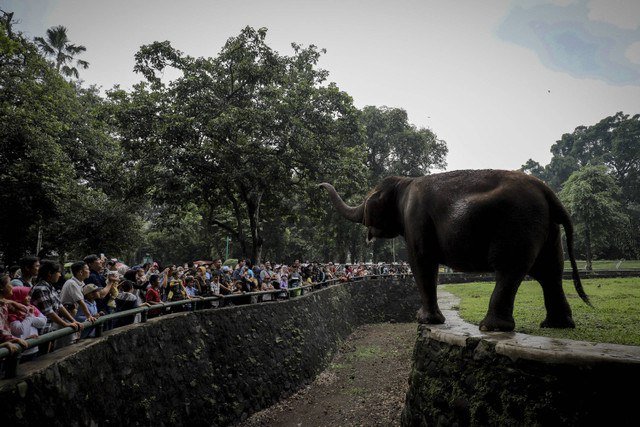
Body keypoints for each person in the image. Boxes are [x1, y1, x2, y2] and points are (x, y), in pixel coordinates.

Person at [29, 260, 83, 350]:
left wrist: (73, 321)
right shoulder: (41, 289)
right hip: (41, 332)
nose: (60, 275)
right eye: (58, 272)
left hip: (50, 330)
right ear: (50, 273)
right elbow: (49, 312)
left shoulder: (50, 287)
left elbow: (59, 306)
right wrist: (66, 324)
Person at [8, 286, 47, 359]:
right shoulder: (11, 312)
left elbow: (43, 321)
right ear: (18, 297)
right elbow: (20, 330)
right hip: (20, 351)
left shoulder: (31, 307)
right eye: (26, 295)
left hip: (34, 347)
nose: (29, 297)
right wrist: (30, 316)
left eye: (29, 295)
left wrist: (29, 318)